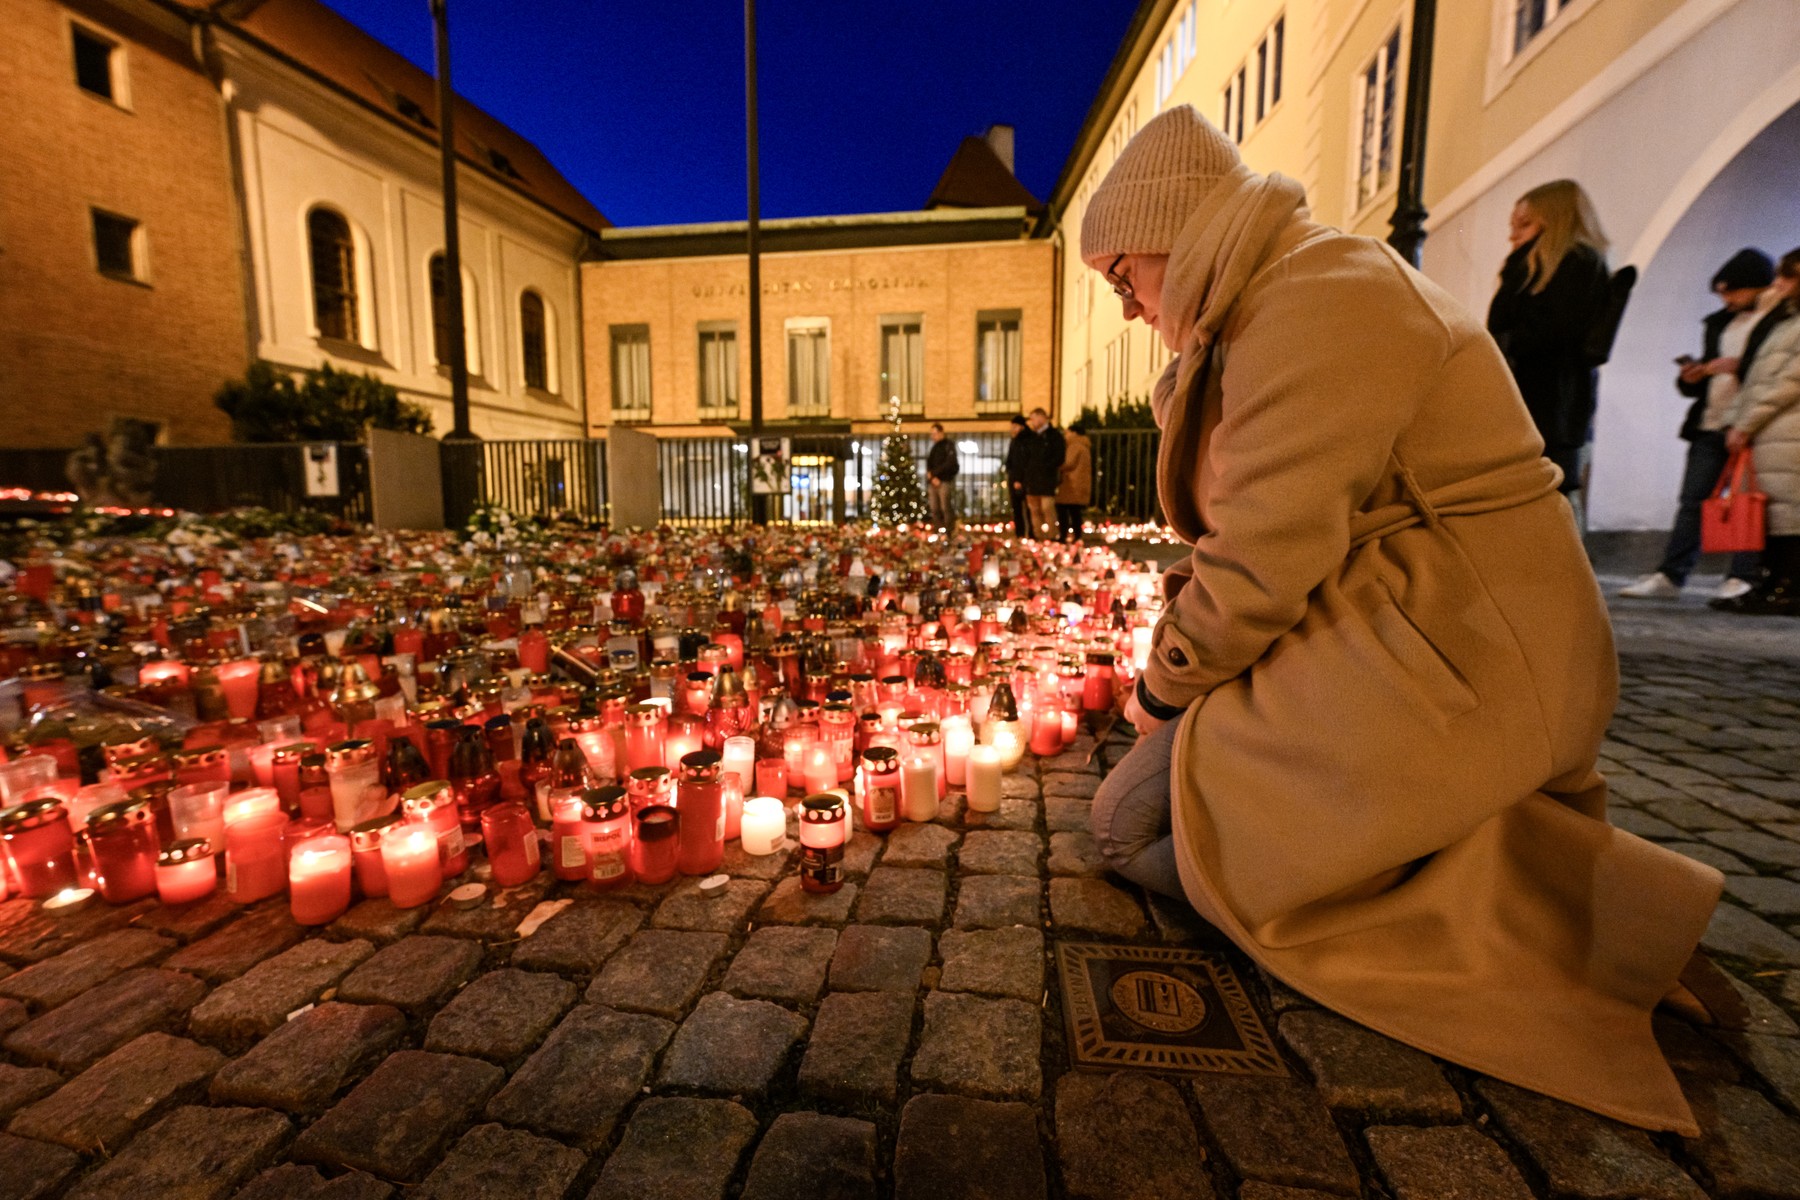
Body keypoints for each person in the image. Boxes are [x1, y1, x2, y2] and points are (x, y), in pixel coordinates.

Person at [1083, 105, 1718, 1136]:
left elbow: (1260, 556)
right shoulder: (1277, 294)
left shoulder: (1315, 298)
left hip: (1462, 656)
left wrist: (1163, 690)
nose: (1124, 308)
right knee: (1160, 814)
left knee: (1125, 829)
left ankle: (1536, 906)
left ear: (1179, 231)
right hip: (1403, 633)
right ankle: (1447, 855)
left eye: (1123, 277)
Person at [1620, 250, 1775, 600]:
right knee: (1693, 501)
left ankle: (1742, 576)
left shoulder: (1775, 321)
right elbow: (1708, 376)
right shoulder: (1719, 322)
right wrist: (1693, 377)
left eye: (1733, 291)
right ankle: (1671, 575)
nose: (1727, 299)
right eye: (1722, 293)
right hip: (1711, 423)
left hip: (1754, 425)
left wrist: (1738, 366)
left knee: (1748, 503)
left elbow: (1774, 372)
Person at [1486, 180, 1613, 496]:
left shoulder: (1579, 263)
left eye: (1525, 225)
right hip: (1536, 402)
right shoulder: (1530, 269)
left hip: (1553, 407)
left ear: (1555, 222)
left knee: (1547, 499)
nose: (1513, 236)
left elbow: (1551, 333)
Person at [1715, 248, 1800, 615]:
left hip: (1788, 431)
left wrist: (1747, 422)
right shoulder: (1782, 321)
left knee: (1790, 515)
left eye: (1789, 276)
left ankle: (1789, 586)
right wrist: (1736, 420)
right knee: (1772, 514)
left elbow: (1790, 381)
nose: (1777, 283)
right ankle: (1770, 582)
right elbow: (1753, 378)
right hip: (1772, 433)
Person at [1018, 408, 1065, 539]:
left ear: (1042, 417)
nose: (1032, 422)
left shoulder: (1054, 436)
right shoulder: (1031, 437)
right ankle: (1038, 537)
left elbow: (1059, 457)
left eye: (1033, 418)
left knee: (1047, 508)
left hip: (1047, 479)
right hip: (1032, 480)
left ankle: (1052, 536)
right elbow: (1025, 458)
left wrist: (1046, 467)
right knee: (1034, 510)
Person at [1057, 420, 1093, 541]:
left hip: (1071, 484)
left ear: (1074, 433)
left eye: (1067, 433)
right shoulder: (1084, 446)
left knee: (1063, 509)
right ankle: (1077, 536)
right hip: (1079, 484)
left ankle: (1064, 535)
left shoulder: (1075, 446)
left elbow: (1068, 463)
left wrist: (1055, 465)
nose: (1065, 436)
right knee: (1075, 512)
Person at [924, 422, 959, 532]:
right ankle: (939, 530)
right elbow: (929, 464)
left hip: (944, 481)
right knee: (934, 509)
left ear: (941, 433)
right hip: (933, 482)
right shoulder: (934, 448)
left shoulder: (948, 445)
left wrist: (935, 475)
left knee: (945, 508)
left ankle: (949, 531)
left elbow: (950, 464)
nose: (932, 436)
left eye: (934, 434)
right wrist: (931, 477)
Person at [1003, 414, 1031, 537]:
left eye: (1015, 426)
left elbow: (1023, 461)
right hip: (1013, 477)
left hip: (1022, 479)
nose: (1012, 429)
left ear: (1021, 426)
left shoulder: (1027, 440)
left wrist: (1019, 479)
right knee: (1016, 509)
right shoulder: (1015, 440)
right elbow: (1011, 459)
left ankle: (1030, 533)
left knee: (1027, 508)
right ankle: (1019, 533)